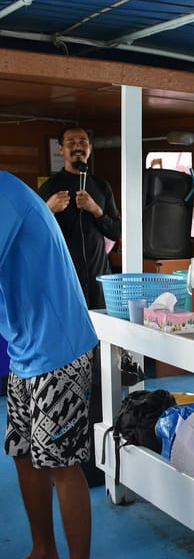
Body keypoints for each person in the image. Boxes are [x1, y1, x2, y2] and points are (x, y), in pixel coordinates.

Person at [1, 170, 98, 559]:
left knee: (61, 464)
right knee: (23, 453)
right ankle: (43, 549)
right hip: (24, 346)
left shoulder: (4, 193)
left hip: (59, 347)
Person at [39, 126, 121, 310]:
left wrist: (96, 210)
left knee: (102, 331)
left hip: (98, 276)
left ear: (90, 148)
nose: (78, 146)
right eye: (71, 142)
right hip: (64, 274)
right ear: (61, 149)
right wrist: (48, 209)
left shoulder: (102, 186)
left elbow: (116, 232)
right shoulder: (50, 187)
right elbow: (33, 233)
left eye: (83, 142)